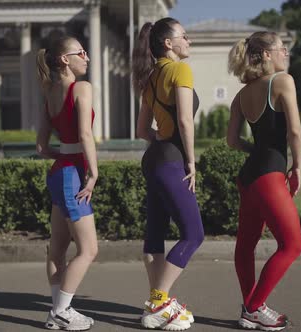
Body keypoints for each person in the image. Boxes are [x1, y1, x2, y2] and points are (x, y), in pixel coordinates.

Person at [226, 31, 301, 331]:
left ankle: (252, 307)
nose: (286, 52)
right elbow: (294, 132)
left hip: (248, 177)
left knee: (245, 246)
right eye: (281, 47)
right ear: (267, 55)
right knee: (292, 244)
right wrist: (297, 167)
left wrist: (255, 150)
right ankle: (254, 308)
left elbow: (232, 141)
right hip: (270, 176)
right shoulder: (283, 81)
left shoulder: (241, 95)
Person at [131, 17, 204, 331]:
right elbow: (186, 123)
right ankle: (160, 301)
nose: (188, 41)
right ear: (167, 43)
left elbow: (141, 130)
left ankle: (155, 304)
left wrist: (161, 139)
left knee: (155, 234)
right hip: (173, 160)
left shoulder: (149, 78)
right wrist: (191, 162)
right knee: (194, 233)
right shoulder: (180, 70)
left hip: (154, 160)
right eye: (184, 36)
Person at [36, 35, 99, 331]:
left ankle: (58, 310)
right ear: (65, 59)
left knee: (57, 249)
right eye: (81, 52)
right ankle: (61, 312)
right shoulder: (81, 88)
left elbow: (41, 147)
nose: (86, 57)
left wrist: (63, 155)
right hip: (73, 174)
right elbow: (86, 135)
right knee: (88, 250)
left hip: (59, 171)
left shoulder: (48, 92)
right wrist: (93, 172)